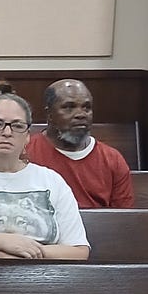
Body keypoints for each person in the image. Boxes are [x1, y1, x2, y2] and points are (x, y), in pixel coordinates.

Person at [0, 87, 89, 261]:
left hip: (43, 274)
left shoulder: (51, 180)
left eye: (17, 126)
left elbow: (78, 251)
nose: (7, 132)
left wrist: (23, 252)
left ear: (27, 136)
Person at [23, 78, 134, 208]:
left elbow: (123, 214)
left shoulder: (112, 159)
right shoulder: (25, 153)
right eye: (69, 107)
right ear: (49, 114)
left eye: (86, 108)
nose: (81, 114)